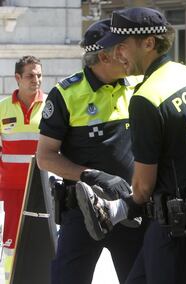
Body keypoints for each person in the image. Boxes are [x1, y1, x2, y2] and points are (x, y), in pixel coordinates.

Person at [74, 7, 186, 284]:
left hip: (172, 230)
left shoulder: (146, 98)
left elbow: (143, 187)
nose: (116, 55)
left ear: (148, 43)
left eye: (121, 46)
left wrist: (117, 209)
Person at [36, 19, 146, 284]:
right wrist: (89, 175)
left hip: (131, 210)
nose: (127, 54)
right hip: (82, 213)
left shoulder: (139, 85)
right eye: (121, 49)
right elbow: (45, 156)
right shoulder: (66, 93)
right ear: (104, 56)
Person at [0, 55, 44, 279]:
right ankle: (9, 279)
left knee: (44, 238)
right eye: (30, 75)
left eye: (38, 75)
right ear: (18, 78)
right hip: (13, 190)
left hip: (44, 189)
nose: (35, 80)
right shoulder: (2, 108)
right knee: (11, 240)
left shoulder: (51, 107)